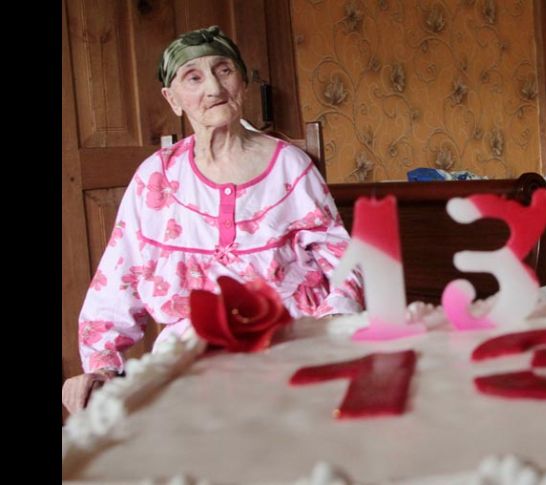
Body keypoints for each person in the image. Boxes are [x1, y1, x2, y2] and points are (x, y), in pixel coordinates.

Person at [62, 26, 364, 414]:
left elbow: (343, 261)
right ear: (172, 100)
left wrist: (333, 327)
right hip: (190, 365)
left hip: (289, 349)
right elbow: (120, 275)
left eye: (224, 70)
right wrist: (101, 366)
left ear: (242, 80)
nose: (214, 89)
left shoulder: (290, 165)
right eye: (193, 77)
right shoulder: (156, 177)